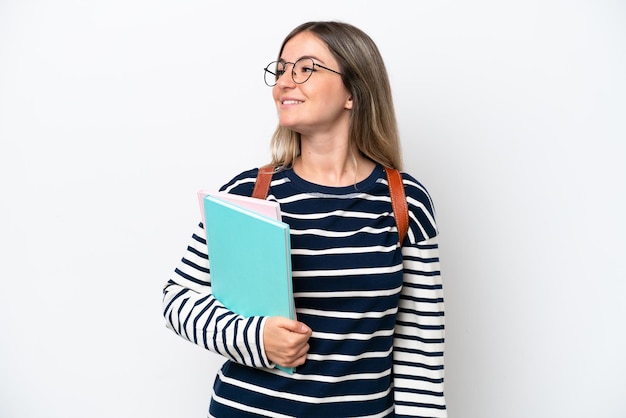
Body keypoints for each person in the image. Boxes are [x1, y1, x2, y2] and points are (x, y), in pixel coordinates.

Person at [163, 21, 446, 417]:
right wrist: (256, 337)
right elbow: (178, 300)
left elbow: (420, 346)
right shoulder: (249, 193)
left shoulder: (404, 200)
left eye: (305, 68)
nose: (284, 83)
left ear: (353, 91)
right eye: (280, 70)